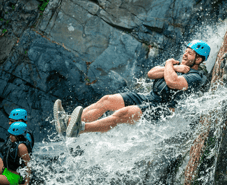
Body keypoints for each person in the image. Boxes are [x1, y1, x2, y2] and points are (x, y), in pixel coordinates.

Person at [54, 40, 210, 137]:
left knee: (121, 114)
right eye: (185, 52)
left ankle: (80, 129)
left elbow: (172, 83)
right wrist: (174, 67)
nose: (184, 55)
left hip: (164, 109)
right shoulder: (178, 67)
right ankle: (68, 123)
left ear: (198, 59)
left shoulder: (195, 77)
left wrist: (170, 64)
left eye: (189, 54)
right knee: (107, 100)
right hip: (150, 97)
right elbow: (152, 73)